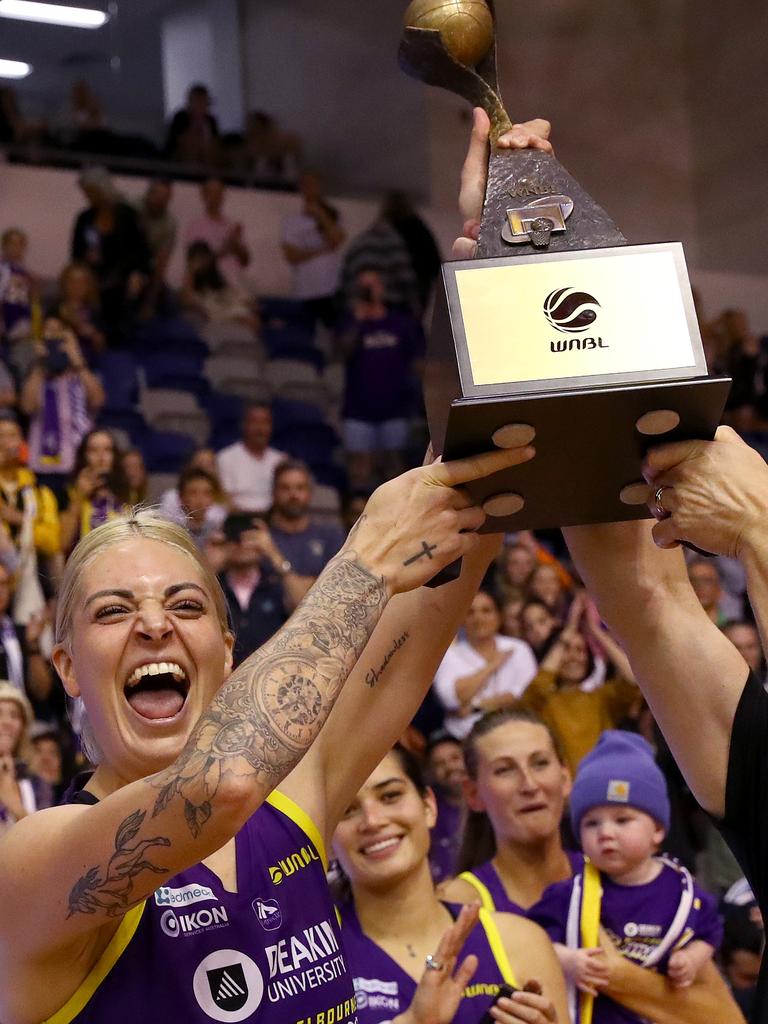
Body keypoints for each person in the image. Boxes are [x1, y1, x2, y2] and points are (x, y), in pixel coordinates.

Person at [0, 434, 537, 1023]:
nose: (154, 623)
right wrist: (364, 563)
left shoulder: (294, 804)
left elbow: (437, 597)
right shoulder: (34, 858)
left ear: (227, 653)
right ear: (68, 668)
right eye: (112, 610)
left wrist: (487, 434)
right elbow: (220, 784)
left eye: (185, 606)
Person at [333, 745, 569, 1024]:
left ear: (429, 807)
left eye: (390, 796)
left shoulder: (520, 941)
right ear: (326, 837)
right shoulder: (313, 961)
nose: (373, 821)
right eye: (347, 810)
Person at [529, 731, 724, 1024]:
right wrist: (568, 960)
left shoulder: (683, 891)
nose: (606, 833)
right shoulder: (570, 895)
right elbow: (534, 941)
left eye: (622, 820)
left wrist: (692, 959)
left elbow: (710, 931)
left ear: (657, 830)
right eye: (591, 823)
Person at [338, 267, 425, 489]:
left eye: (372, 285)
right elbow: (341, 353)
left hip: (395, 410)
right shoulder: (350, 322)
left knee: (395, 471)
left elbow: (417, 362)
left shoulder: (400, 323)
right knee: (359, 473)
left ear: (382, 288)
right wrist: (358, 321)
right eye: (363, 286)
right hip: (358, 411)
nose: (368, 291)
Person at [433, 589, 538, 740]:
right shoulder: (448, 656)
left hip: (516, 733)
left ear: (499, 616)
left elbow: (525, 695)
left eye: (486, 611)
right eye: (470, 612)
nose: (479, 618)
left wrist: (476, 705)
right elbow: (451, 698)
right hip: (462, 738)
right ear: (462, 619)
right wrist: (492, 665)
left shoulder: (518, 648)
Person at [21, 316, 104, 503]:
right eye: (48, 333)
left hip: (78, 462)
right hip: (43, 466)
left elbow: (98, 400)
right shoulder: (37, 374)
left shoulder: (79, 373)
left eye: (59, 332)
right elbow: (27, 406)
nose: (54, 339)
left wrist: (77, 358)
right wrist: (40, 364)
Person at [70, 166, 151, 339]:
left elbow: (142, 253)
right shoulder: (84, 219)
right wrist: (86, 259)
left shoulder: (128, 215)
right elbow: (75, 256)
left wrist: (137, 273)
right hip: (93, 277)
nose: (88, 196)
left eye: (91, 192)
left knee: (129, 289)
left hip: (123, 276)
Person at [265, 458, 345, 606]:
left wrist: (277, 560)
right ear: (274, 493)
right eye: (285, 488)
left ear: (310, 492)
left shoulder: (331, 537)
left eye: (300, 488)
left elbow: (330, 595)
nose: (293, 495)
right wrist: (311, 582)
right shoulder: (263, 539)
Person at [282, 171, 345, 326]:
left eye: (313, 185)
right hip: (305, 289)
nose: (309, 189)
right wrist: (321, 250)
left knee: (334, 332)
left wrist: (321, 215)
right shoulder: (291, 222)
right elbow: (291, 256)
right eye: (305, 185)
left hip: (330, 288)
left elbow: (336, 240)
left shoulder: (334, 216)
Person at [59, 428, 130, 553]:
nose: (101, 456)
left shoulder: (125, 491)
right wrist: (79, 497)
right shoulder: (69, 492)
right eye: (94, 450)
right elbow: (62, 542)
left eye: (107, 450)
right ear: (84, 456)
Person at [216, 402, 286, 513]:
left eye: (265, 423)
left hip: (273, 521)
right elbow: (224, 499)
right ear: (244, 426)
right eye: (255, 422)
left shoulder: (280, 460)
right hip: (236, 520)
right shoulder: (226, 457)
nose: (260, 429)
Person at [184, 177, 251, 291]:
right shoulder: (195, 227)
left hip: (234, 285)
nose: (216, 197)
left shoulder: (231, 225)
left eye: (219, 193)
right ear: (203, 195)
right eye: (212, 193)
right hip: (209, 287)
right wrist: (225, 249)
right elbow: (196, 265)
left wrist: (236, 245)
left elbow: (245, 261)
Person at [181, 240, 259, 334]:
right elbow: (187, 299)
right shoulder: (192, 287)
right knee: (249, 320)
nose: (202, 263)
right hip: (219, 317)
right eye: (198, 259)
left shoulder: (218, 281)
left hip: (233, 309)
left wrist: (247, 302)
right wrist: (191, 271)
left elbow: (233, 295)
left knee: (251, 316)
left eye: (204, 258)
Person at [425, 730, 467, 883]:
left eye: (455, 758)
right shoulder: (428, 814)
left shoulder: (492, 802)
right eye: (439, 764)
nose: (449, 767)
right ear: (431, 773)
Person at [0, 682, 39, 837]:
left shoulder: (35, 783)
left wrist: (15, 806)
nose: (7, 722)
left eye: (14, 715)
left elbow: (45, 844)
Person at [56, 262, 106, 363]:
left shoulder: (94, 311)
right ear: (64, 284)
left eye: (81, 282)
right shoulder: (55, 310)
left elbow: (101, 346)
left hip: (88, 363)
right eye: (72, 281)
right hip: (62, 363)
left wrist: (93, 334)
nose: (76, 286)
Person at [165, 83, 221, 165]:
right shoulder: (180, 117)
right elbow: (180, 142)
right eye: (198, 101)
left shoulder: (211, 120)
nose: (201, 105)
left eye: (203, 101)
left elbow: (216, 142)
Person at [0, 227, 35, 349]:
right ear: (4, 246)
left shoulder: (24, 271)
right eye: (12, 244)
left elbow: (28, 297)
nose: (16, 248)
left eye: (20, 245)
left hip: (22, 315)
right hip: (6, 312)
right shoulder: (2, 269)